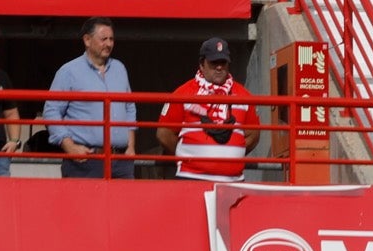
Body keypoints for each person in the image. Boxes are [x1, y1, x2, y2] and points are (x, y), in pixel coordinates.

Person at [155, 36, 258, 182]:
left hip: (233, 181)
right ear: (202, 65)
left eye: (223, 62)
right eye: (213, 62)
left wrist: (230, 155)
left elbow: (253, 135)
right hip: (191, 178)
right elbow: (164, 134)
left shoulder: (244, 96)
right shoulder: (183, 93)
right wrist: (188, 157)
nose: (219, 67)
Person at [43, 17, 135, 178]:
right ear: (87, 39)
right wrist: (69, 146)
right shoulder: (69, 71)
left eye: (111, 39)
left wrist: (131, 146)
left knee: (123, 204)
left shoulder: (120, 69)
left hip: (121, 161)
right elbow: (51, 111)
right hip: (86, 161)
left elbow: (129, 107)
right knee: (83, 204)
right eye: (103, 39)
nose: (108, 44)